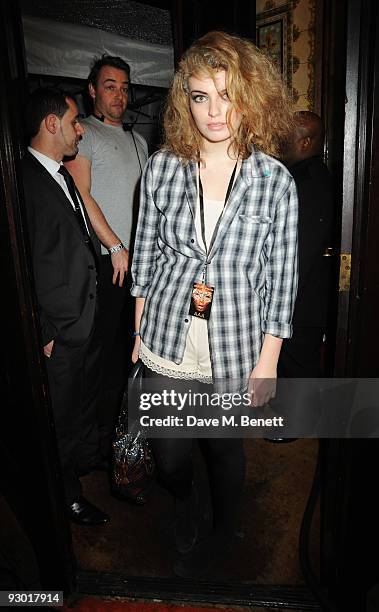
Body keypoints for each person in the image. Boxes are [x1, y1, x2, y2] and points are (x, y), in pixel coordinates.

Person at [130, 31, 298, 577]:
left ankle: (227, 522)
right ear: (185, 101)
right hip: (165, 339)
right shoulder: (161, 167)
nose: (215, 111)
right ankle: (184, 502)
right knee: (171, 454)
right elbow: (148, 259)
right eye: (202, 96)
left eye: (228, 94)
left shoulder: (274, 181)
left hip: (235, 342)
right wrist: (137, 334)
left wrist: (269, 360)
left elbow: (282, 277)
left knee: (225, 449)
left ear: (251, 97)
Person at [22, 87, 110, 526]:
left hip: (83, 316)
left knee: (79, 407)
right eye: (75, 121)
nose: (81, 129)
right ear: (51, 123)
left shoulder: (61, 172)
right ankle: (65, 499)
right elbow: (19, 263)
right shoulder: (22, 181)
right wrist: (42, 332)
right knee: (58, 418)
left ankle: (82, 463)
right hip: (58, 330)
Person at [65, 55, 148, 463]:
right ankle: (94, 445)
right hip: (107, 262)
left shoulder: (139, 140)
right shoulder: (86, 135)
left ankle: (125, 436)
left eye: (125, 87)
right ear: (93, 91)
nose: (120, 94)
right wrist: (115, 246)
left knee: (132, 353)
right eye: (111, 86)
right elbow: (80, 195)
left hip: (141, 265)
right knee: (100, 358)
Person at [278, 110, 335, 378]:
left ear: (305, 143)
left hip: (299, 310)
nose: (280, 140)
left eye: (287, 135)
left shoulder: (308, 182)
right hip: (299, 307)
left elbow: (297, 258)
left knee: (296, 381)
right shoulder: (303, 175)